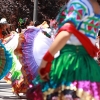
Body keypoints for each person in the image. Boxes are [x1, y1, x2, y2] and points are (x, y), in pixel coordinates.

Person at [32, 0, 100, 100]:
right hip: (88, 64)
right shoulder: (96, 5)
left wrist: (45, 60)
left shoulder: (78, 3)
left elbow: (66, 33)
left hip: (71, 61)